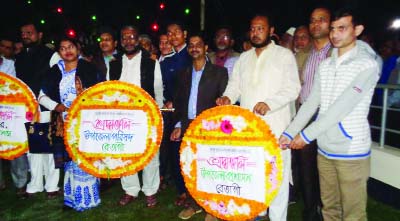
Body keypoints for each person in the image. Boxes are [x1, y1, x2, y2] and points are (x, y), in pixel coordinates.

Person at [280, 8, 379, 221]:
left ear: (358, 29)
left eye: (342, 28)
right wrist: (289, 133)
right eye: (333, 28)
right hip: (325, 150)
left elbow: (342, 108)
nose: (335, 34)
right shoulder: (325, 65)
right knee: (329, 209)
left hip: (351, 151)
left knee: (353, 214)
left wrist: (305, 136)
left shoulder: (367, 64)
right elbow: (311, 102)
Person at [216, 14, 301, 221]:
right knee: (253, 173)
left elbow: (293, 88)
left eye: (260, 28)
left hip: (276, 127)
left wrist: (269, 103)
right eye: (253, 29)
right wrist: (228, 97)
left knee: (277, 177)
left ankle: (278, 217)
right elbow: (235, 85)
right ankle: (258, 212)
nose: (255, 32)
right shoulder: (243, 58)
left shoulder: (284, 55)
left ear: (271, 31)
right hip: (249, 129)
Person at [39, 37, 103, 211]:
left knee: (84, 158)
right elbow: (41, 96)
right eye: (62, 48)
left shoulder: (90, 69)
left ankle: (88, 199)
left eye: (70, 47)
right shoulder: (54, 72)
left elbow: (101, 93)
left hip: (87, 121)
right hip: (63, 123)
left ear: (78, 48)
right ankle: (71, 198)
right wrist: (56, 106)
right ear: (59, 52)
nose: (67, 50)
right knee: (70, 161)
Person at [170, 33, 228, 221]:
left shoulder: (220, 73)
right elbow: (179, 103)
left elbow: (224, 104)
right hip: (189, 127)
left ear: (205, 48)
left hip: (210, 128)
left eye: (198, 45)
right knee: (192, 168)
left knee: (211, 169)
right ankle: (194, 204)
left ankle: (212, 209)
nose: (194, 48)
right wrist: (179, 124)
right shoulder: (183, 74)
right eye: (191, 45)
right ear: (188, 50)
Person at [108, 25, 163, 207]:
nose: (128, 41)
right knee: (125, 153)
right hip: (122, 118)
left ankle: (150, 190)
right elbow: (109, 91)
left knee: (150, 154)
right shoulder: (114, 64)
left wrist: (158, 116)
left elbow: (157, 90)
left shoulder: (151, 62)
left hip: (146, 116)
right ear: (120, 41)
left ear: (138, 39)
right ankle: (130, 189)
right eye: (125, 38)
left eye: (132, 37)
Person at [15, 22, 59, 199]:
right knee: (33, 149)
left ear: (39, 35)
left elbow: (58, 79)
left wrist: (48, 103)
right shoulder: (20, 57)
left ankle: (52, 186)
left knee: (48, 148)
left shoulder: (51, 54)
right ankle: (35, 184)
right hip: (26, 109)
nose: (25, 35)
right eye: (23, 33)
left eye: (29, 33)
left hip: (45, 106)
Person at [161, 21, 192, 207]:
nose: (172, 36)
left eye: (176, 32)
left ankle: (193, 190)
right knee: (175, 152)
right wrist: (166, 99)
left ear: (185, 33)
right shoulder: (168, 60)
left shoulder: (193, 53)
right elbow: (165, 87)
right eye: (169, 33)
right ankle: (181, 190)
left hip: (192, 112)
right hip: (173, 114)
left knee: (191, 152)